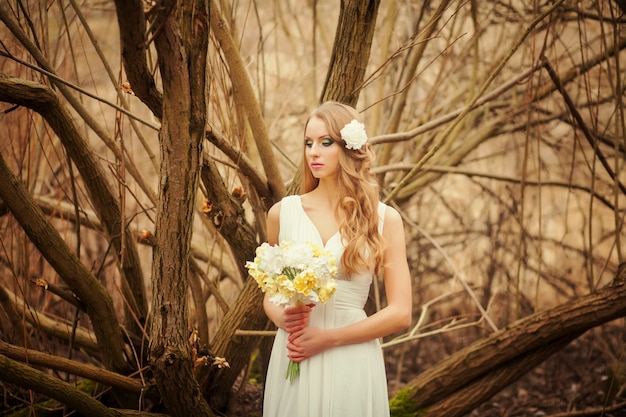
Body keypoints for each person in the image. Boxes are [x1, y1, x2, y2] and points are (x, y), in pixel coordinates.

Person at [262, 101, 412, 417]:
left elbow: (400, 313)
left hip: (351, 352)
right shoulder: (282, 213)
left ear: (348, 148)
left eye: (325, 142)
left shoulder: (383, 219)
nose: (313, 152)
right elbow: (269, 295)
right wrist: (280, 317)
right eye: (308, 143)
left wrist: (328, 339)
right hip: (296, 350)